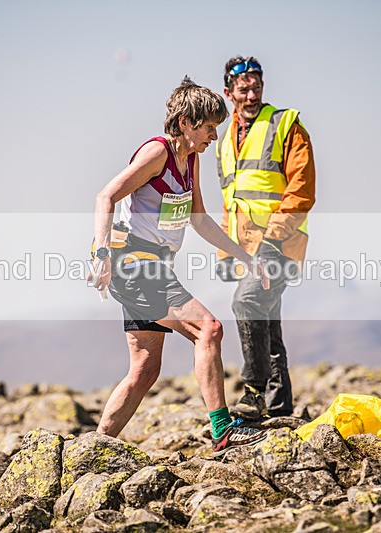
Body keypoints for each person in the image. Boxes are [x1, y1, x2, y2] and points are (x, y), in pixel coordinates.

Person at [89, 77, 270, 457]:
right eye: (208, 127)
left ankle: (93, 449)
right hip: (135, 263)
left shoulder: (192, 159)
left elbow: (200, 220)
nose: (214, 136)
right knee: (210, 328)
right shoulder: (157, 154)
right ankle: (222, 431)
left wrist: (246, 258)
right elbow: (105, 196)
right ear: (185, 122)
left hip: (156, 266)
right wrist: (101, 255)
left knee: (144, 370)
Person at [216, 56, 316, 419]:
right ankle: (279, 409)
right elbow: (230, 202)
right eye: (243, 88)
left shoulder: (286, 124)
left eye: (257, 85)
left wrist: (272, 240)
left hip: (280, 244)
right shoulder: (224, 140)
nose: (252, 92)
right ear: (228, 93)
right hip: (245, 250)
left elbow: (301, 191)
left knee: (246, 303)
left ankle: (254, 391)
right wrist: (225, 254)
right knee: (268, 327)